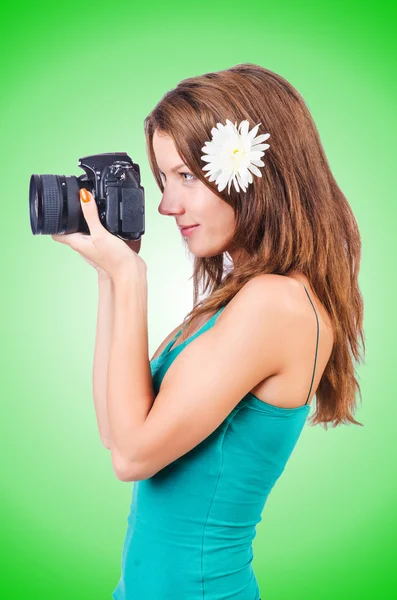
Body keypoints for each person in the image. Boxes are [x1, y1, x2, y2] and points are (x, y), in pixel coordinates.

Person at [105, 63, 365, 599]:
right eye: (163, 179)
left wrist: (130, 278)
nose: (165, 205)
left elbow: (131, 456)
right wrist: (114, 275)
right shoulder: (235, 298)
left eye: (187, 177)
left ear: (251, 171)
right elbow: (118, 430)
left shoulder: (278, 304)